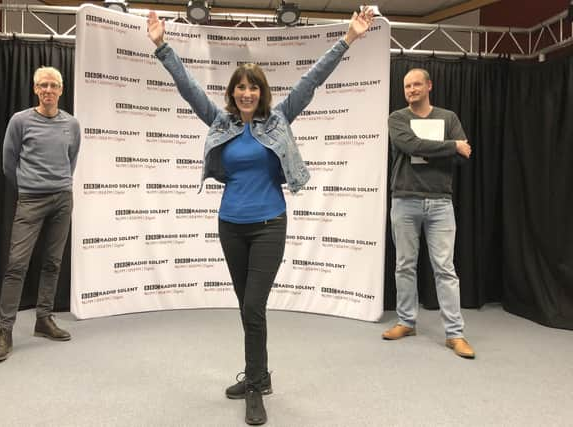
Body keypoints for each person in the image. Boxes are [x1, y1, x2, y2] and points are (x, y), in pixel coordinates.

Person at [147, 7, 374, 425]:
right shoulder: (220, 121)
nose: (246, 93)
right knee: (246, 307)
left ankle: (254, 388)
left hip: (270, 223)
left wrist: (348, 38)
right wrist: (163, 45)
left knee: (253, 306)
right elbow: (189, 88)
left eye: (253, 88)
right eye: (240, 88)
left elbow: (312, 80)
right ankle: (260, 374)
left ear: (262, 92)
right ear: (233, 93)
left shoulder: (280, 118)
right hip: (230, 225)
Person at [0, 66, 81, 364]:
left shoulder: (72, 124)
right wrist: (29, 187)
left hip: (63, 200)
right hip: (30, 200)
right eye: (43, 85)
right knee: (17, 265)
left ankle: (43, 319)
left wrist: (58, 186)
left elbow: (71, 159)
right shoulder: (20, 121)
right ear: (35, 89)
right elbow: (8, 162)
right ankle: (4, 332)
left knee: (52, 263)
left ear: (61, 90)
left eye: (53, 85)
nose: (48, 90)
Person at [383, 68, 475, 359]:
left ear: (429, 86)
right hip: (405, 200)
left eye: (417, 84)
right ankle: (406, 322)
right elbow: (409, 144)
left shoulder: (448, 118)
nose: (411, 89)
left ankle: (455, 334)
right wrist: (450, 147)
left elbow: (465, 157)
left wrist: (452, 150)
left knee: (445, 269)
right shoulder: (397, 118)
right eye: (407, 85)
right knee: (404, 266)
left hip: (440, 203)